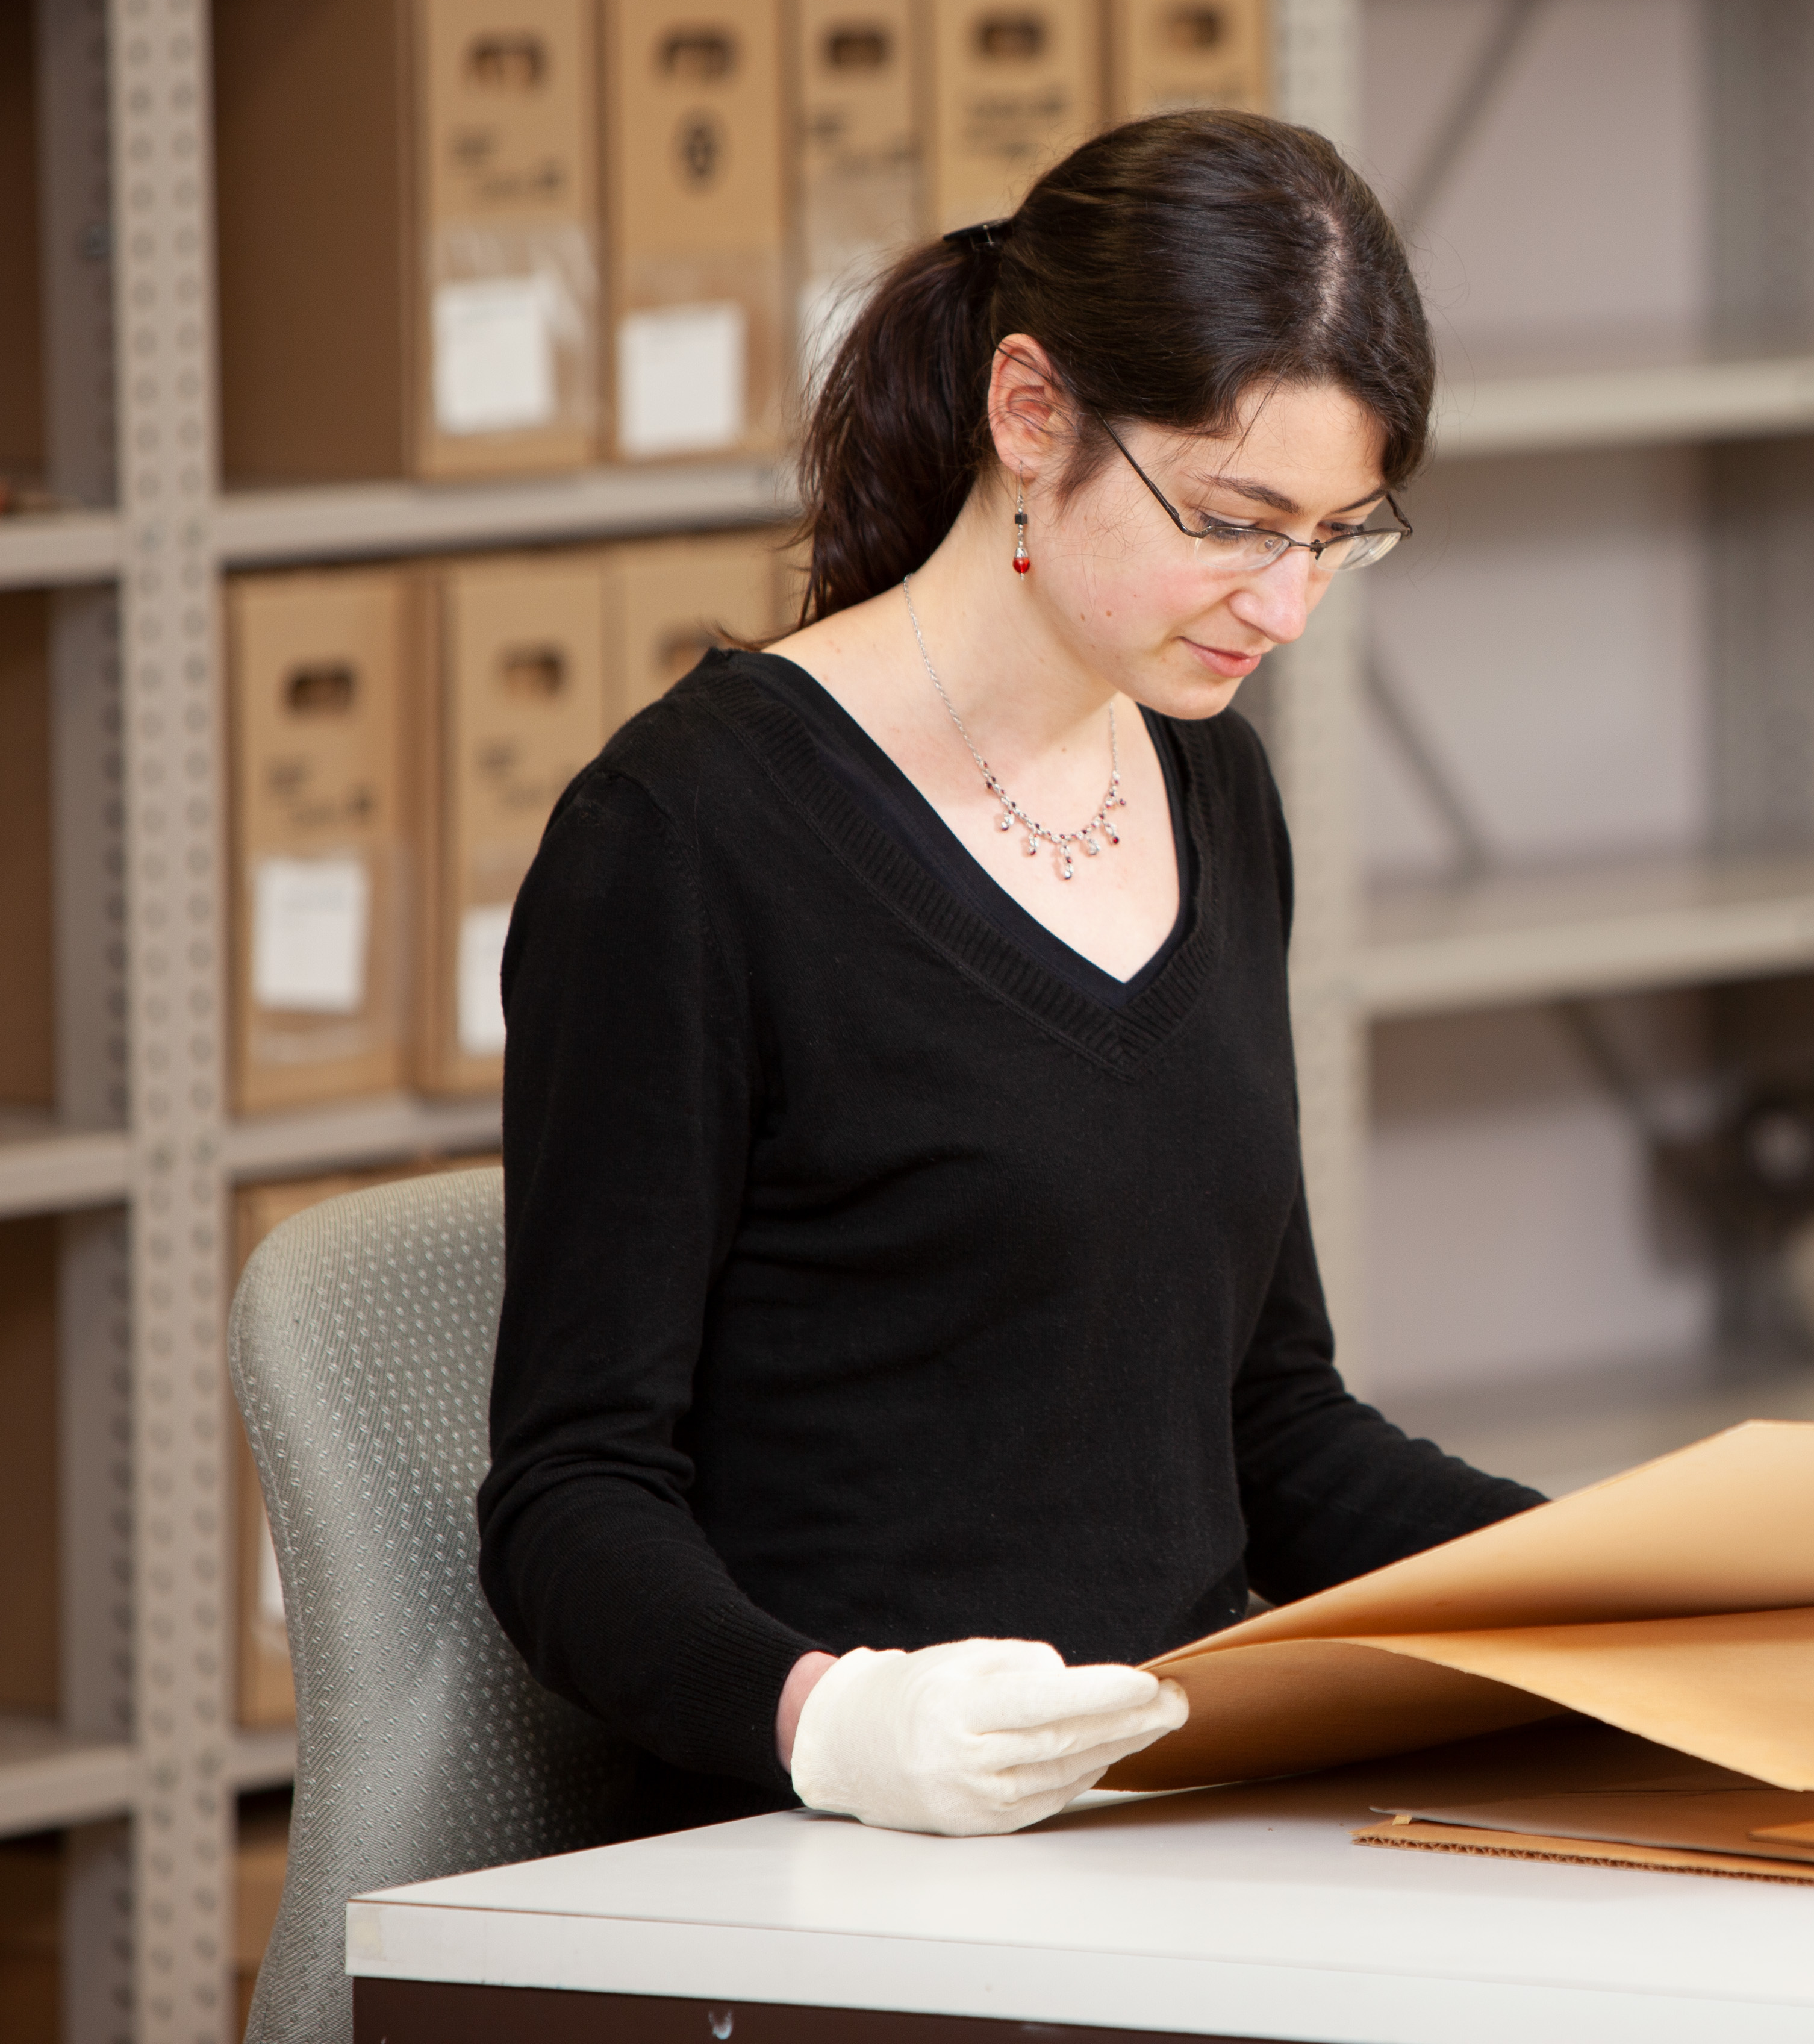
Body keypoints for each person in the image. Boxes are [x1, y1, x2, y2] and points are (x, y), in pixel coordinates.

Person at [476, 110, 1542, 1842]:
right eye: (1233, 519)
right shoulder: (685, 838)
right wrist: (839, 1720)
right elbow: (569, 1501)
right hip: (823, 1849)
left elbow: (1269, 1422)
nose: (1285, 607)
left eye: (1342, 539)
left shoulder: (1211, 787)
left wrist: (1656, 1592)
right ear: (1032, 414)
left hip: (1181, 1809)